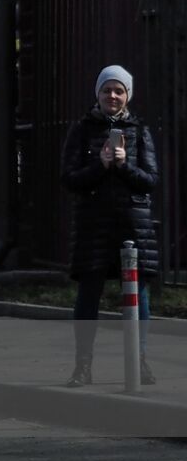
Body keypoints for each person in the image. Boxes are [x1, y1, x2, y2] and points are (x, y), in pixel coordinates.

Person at [60, 64, 158, 387]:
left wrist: (123, 165)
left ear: (127, 95)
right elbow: (69, 178)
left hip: (133, 224)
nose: (112, 96)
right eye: (107, 90)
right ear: (98, 94)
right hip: (94, 224)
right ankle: (83, 366)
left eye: (119, 91)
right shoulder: (82, 129)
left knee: (138, 295)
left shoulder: (139, 131)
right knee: (89, 295)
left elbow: (150, 180)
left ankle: (139, 361)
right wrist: (100, 166)